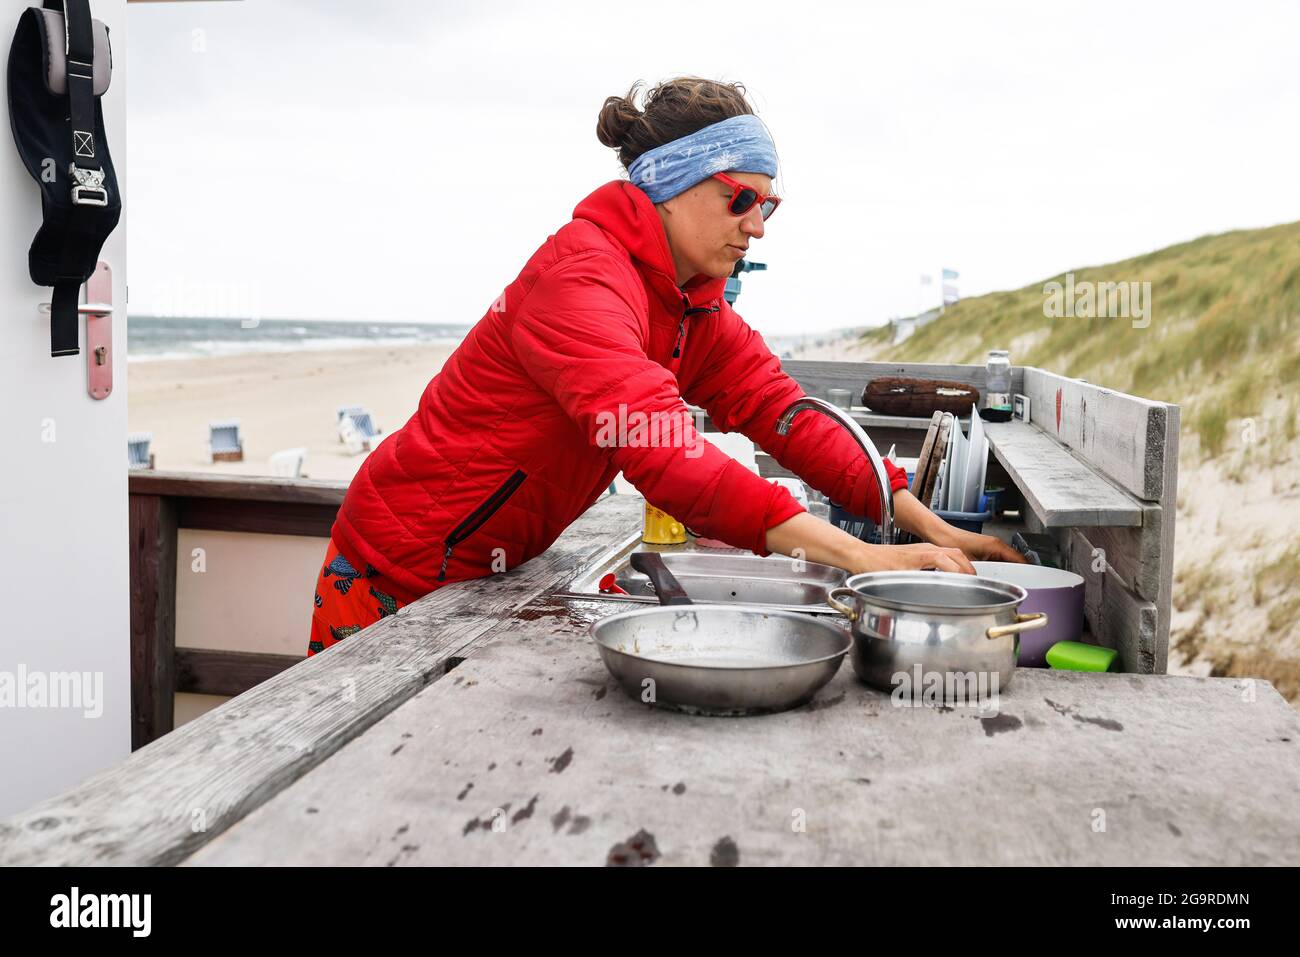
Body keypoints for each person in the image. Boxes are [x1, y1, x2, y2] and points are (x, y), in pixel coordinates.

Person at [307, 76, 1023, 657]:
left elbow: (790, 417)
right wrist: (857, 559)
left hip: (490, 568)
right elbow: (665, 454)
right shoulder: (580, 278)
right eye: (739, 198)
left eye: (768, 203)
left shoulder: (691, 308)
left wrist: (935, 530)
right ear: (671, 185)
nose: (759, 224)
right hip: (393, 568)